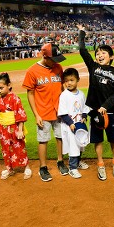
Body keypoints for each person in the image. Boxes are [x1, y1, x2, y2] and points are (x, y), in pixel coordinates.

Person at [77, 24, 114, 181]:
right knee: (97, 139)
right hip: (94, 111)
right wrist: (82, 32)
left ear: (110, 57)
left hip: (109, 111)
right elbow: (83, 51)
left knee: (113, 138)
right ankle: (101, 163)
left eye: (103, 53)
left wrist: (106, 106)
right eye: (98, 53)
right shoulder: (93, 67)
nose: (99, 55)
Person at [22, 42, 68, 182]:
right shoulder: (32, 71)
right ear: (44, 56)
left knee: (60, 137)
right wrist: (36, 115)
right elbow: (30, 94)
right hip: (43, 112)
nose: (55, 62)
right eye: (53, 59)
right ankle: (43, 167)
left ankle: (60, 161)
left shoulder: (58, 67)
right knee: (43, 140)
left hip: (59, 111)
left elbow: (62, 87)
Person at [0, 72, 31, 180]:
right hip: (3, 130)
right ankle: (9, 169)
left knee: (20, 148)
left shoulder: (15, 99)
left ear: (9, 85)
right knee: (5, 149)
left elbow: (20, 115)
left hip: (15, 128)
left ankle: (27, 167)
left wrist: (20, 130)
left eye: (1, 88)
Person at [58, 68, 90, 179]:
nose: (69, 83)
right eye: (66, 81)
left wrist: (85, 117)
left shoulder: (81, 94)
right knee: (73, 146)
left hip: (79, 124)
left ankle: (78, 162)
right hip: (69, 125)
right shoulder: (64, 95)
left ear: (77, 80)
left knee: (80, 144)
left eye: (71, 80)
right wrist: (70, 123)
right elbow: (62, 113)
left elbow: (85, 107)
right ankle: (72, 168)